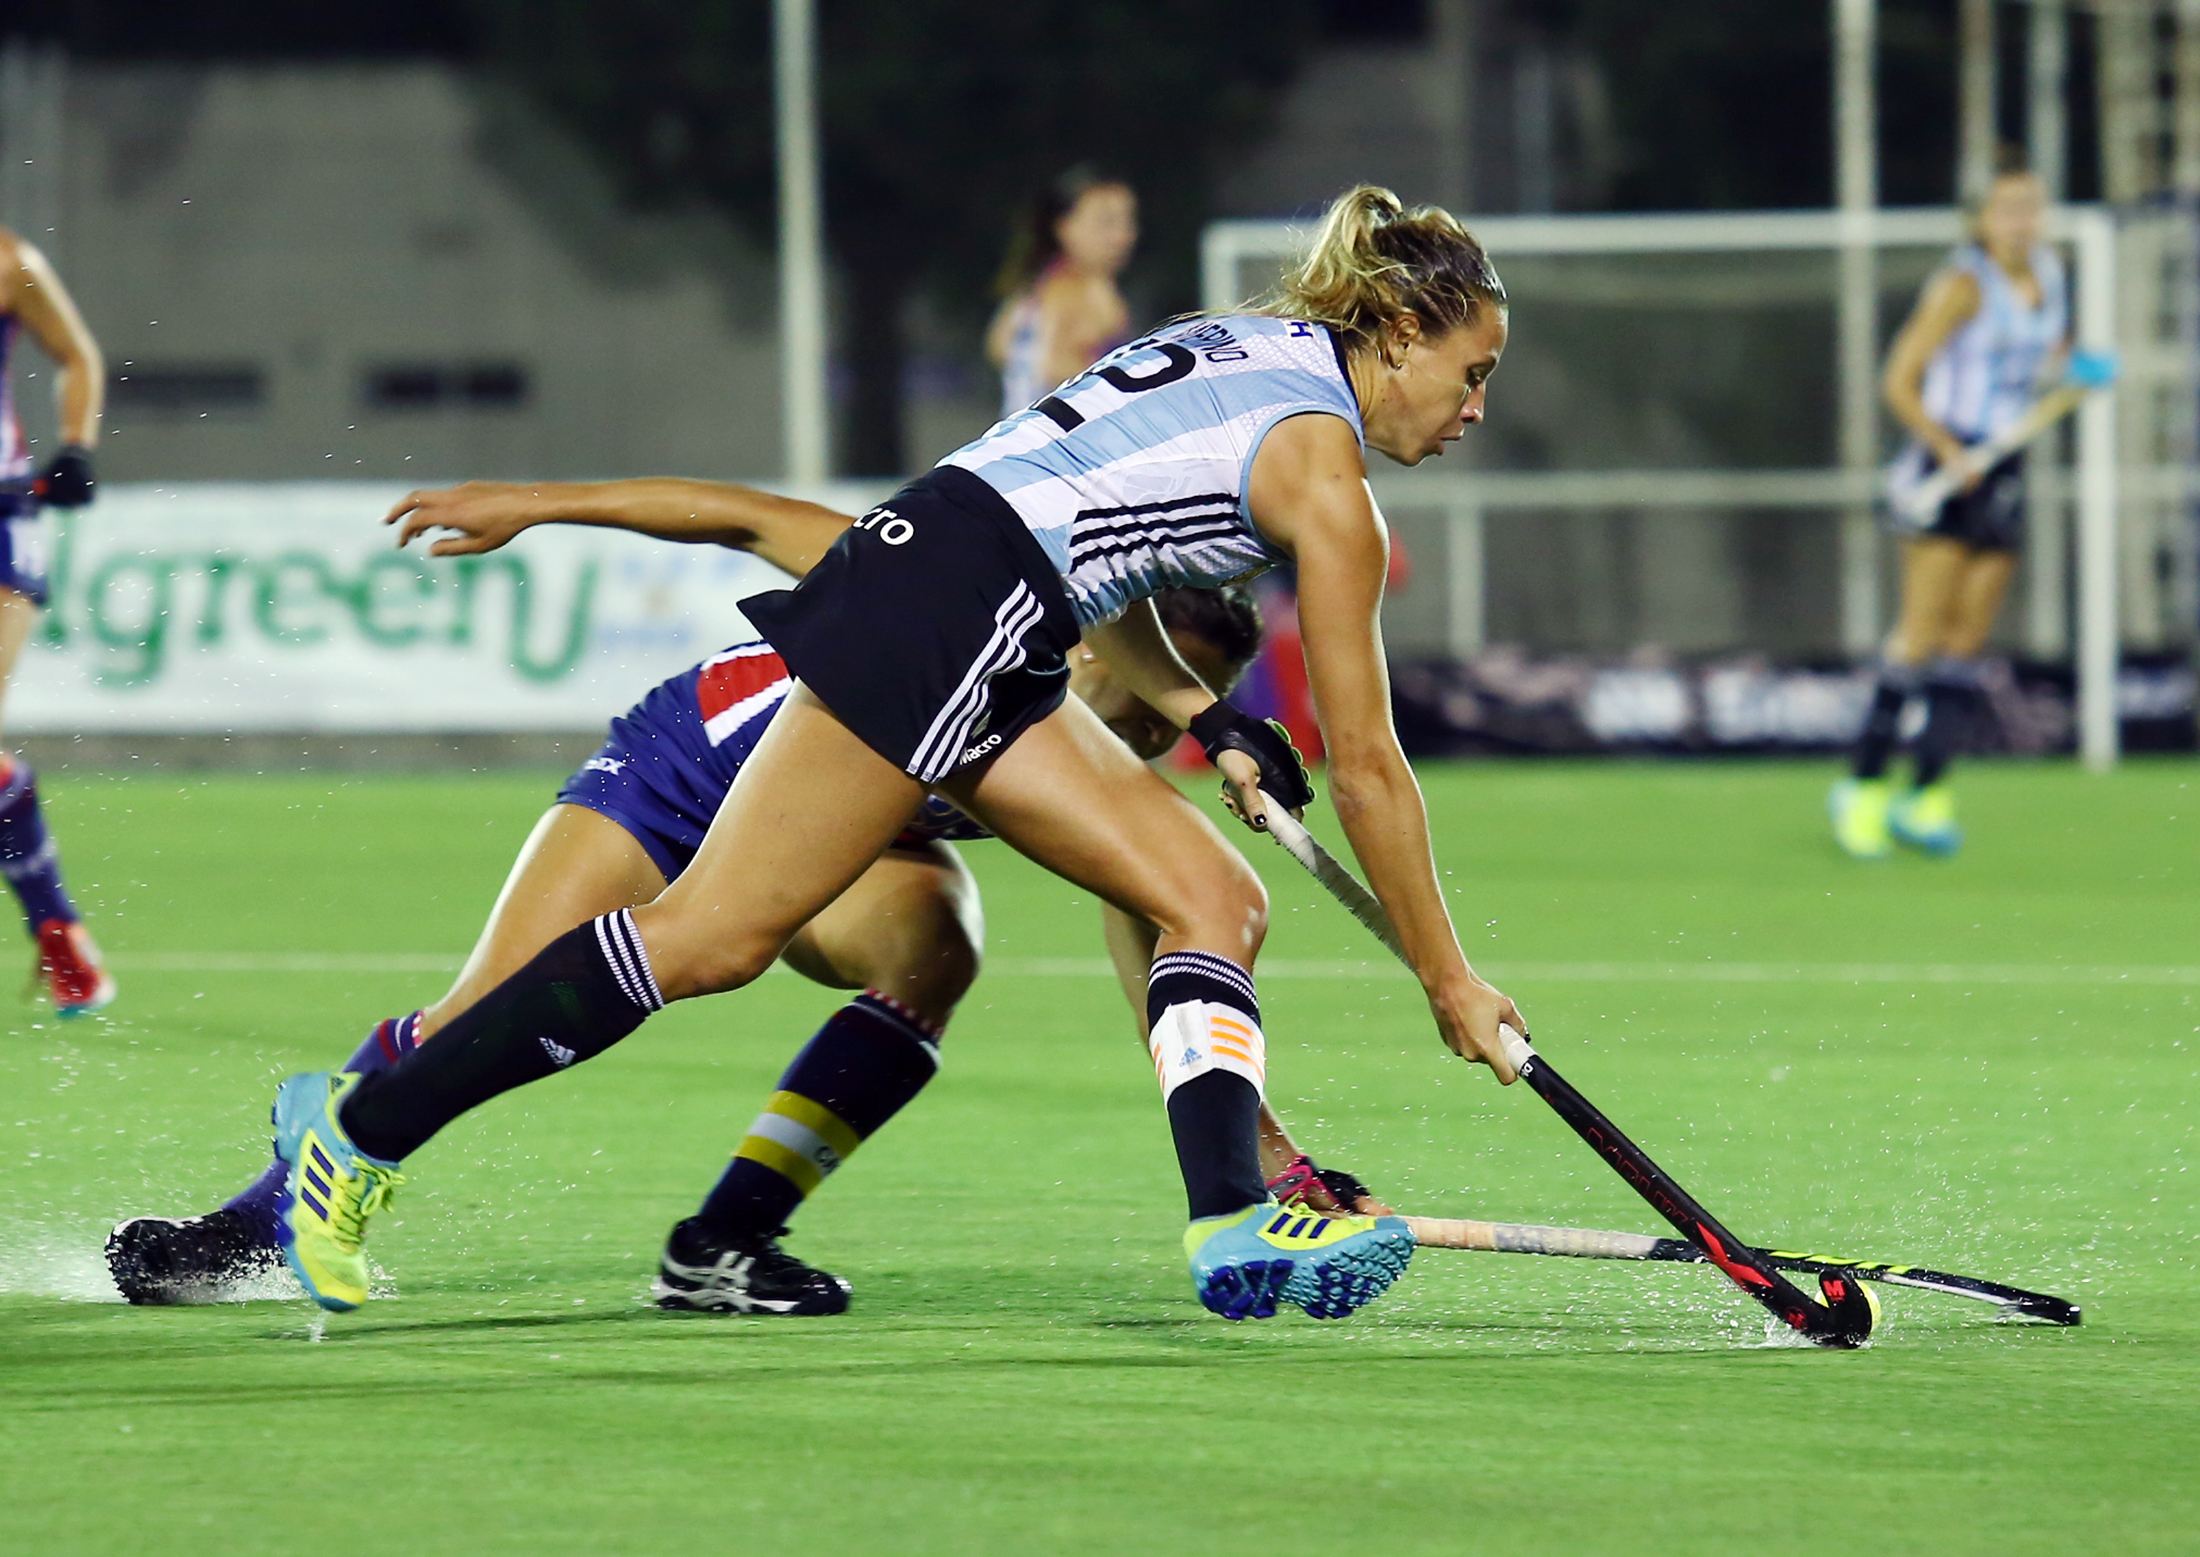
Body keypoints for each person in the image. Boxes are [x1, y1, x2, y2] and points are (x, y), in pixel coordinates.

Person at [267, 183, 1523, 1327]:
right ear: (1400, 334)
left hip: (979, 596)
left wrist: (1205, 716)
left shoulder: (1239, 345)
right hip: (954, 613)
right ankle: (360, 1128)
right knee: (708, 938)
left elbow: (1090, 530)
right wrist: (1446, 979)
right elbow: (1366, 766)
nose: (1474, 408)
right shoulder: (1328, 481)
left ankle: (1231, 1214)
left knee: (1207, 896)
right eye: (1470, 374)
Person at [107, 478, 1378, 1309]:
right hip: (680, 770)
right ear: (1098, 643)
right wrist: (535, 507)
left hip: (850, 829)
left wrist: (1263, 1150)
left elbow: (1162, 939)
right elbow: (732, 512)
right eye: (1139, 705)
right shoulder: (965, 609)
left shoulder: (1061, 736)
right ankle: (245, 1228)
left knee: (935, 947)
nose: (1145, 747)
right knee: (481, 1018)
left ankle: (716, 1249)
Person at [1830, 156, 2068, 859]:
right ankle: (1863, 787)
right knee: (1921, 632)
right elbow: (1899, 380)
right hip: (1945, 464)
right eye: (2008, 209)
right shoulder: (1964, 285)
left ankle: (1926, 793)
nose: (2022, 222)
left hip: (2004, 467)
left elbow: (2041, 361)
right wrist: (1948, 448)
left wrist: (2073, 369)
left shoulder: (2052, 276)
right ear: (1981, 219)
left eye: (2031, 207)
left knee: (1967, 642)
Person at [0, 224, 113, 1014]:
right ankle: (60, 930)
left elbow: (78, 356)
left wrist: (76, 444)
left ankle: (62, 938)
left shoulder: (8, 262)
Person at [986, 167, 1137, 417]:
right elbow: (1050, 367)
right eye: (1106, 222)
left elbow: (999, 346)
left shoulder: (1032, 290)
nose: (1123, 236)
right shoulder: (1085, 292)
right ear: (1065, 227)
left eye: (1128, 220)